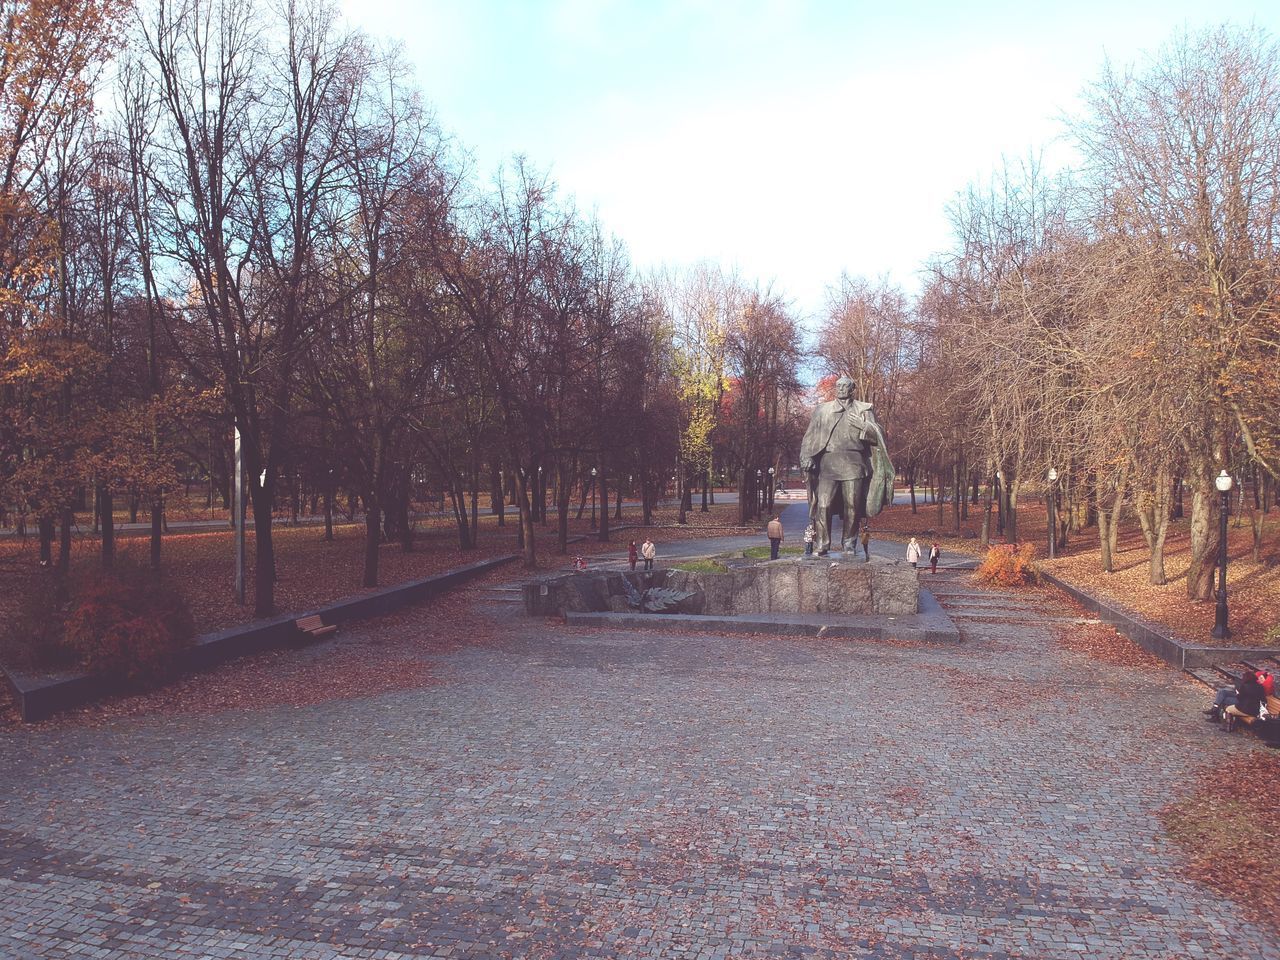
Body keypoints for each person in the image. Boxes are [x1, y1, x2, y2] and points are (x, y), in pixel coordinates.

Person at [799, 375, 894, 555]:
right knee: (823, 505)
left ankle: (849, 544)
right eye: (838, 386)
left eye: (845, 386)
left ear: (852, 389)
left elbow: (879, 437)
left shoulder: (864, 409)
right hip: (829, 463)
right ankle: (822, 544)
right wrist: (806, 456)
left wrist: (864, 426)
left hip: (854, 463)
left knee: (852, 507)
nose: (841, 389)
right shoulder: (822, 410)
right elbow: (809, 437)